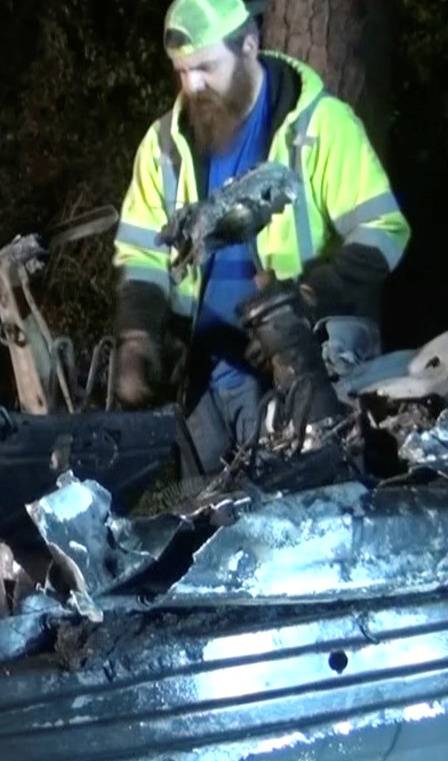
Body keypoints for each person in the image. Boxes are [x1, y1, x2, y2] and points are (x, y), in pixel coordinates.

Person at [112, 0, 411, 471]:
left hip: (303, 372)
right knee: (194, 520)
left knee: (295, 514)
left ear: (250, 44)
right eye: (183, 71)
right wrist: (138, 335)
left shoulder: (323, 126)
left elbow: (385, 230)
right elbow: (141, 252)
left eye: (206, 67)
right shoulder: (164, 146)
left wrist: (309, 295)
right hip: (202, 381)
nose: (192, 85)